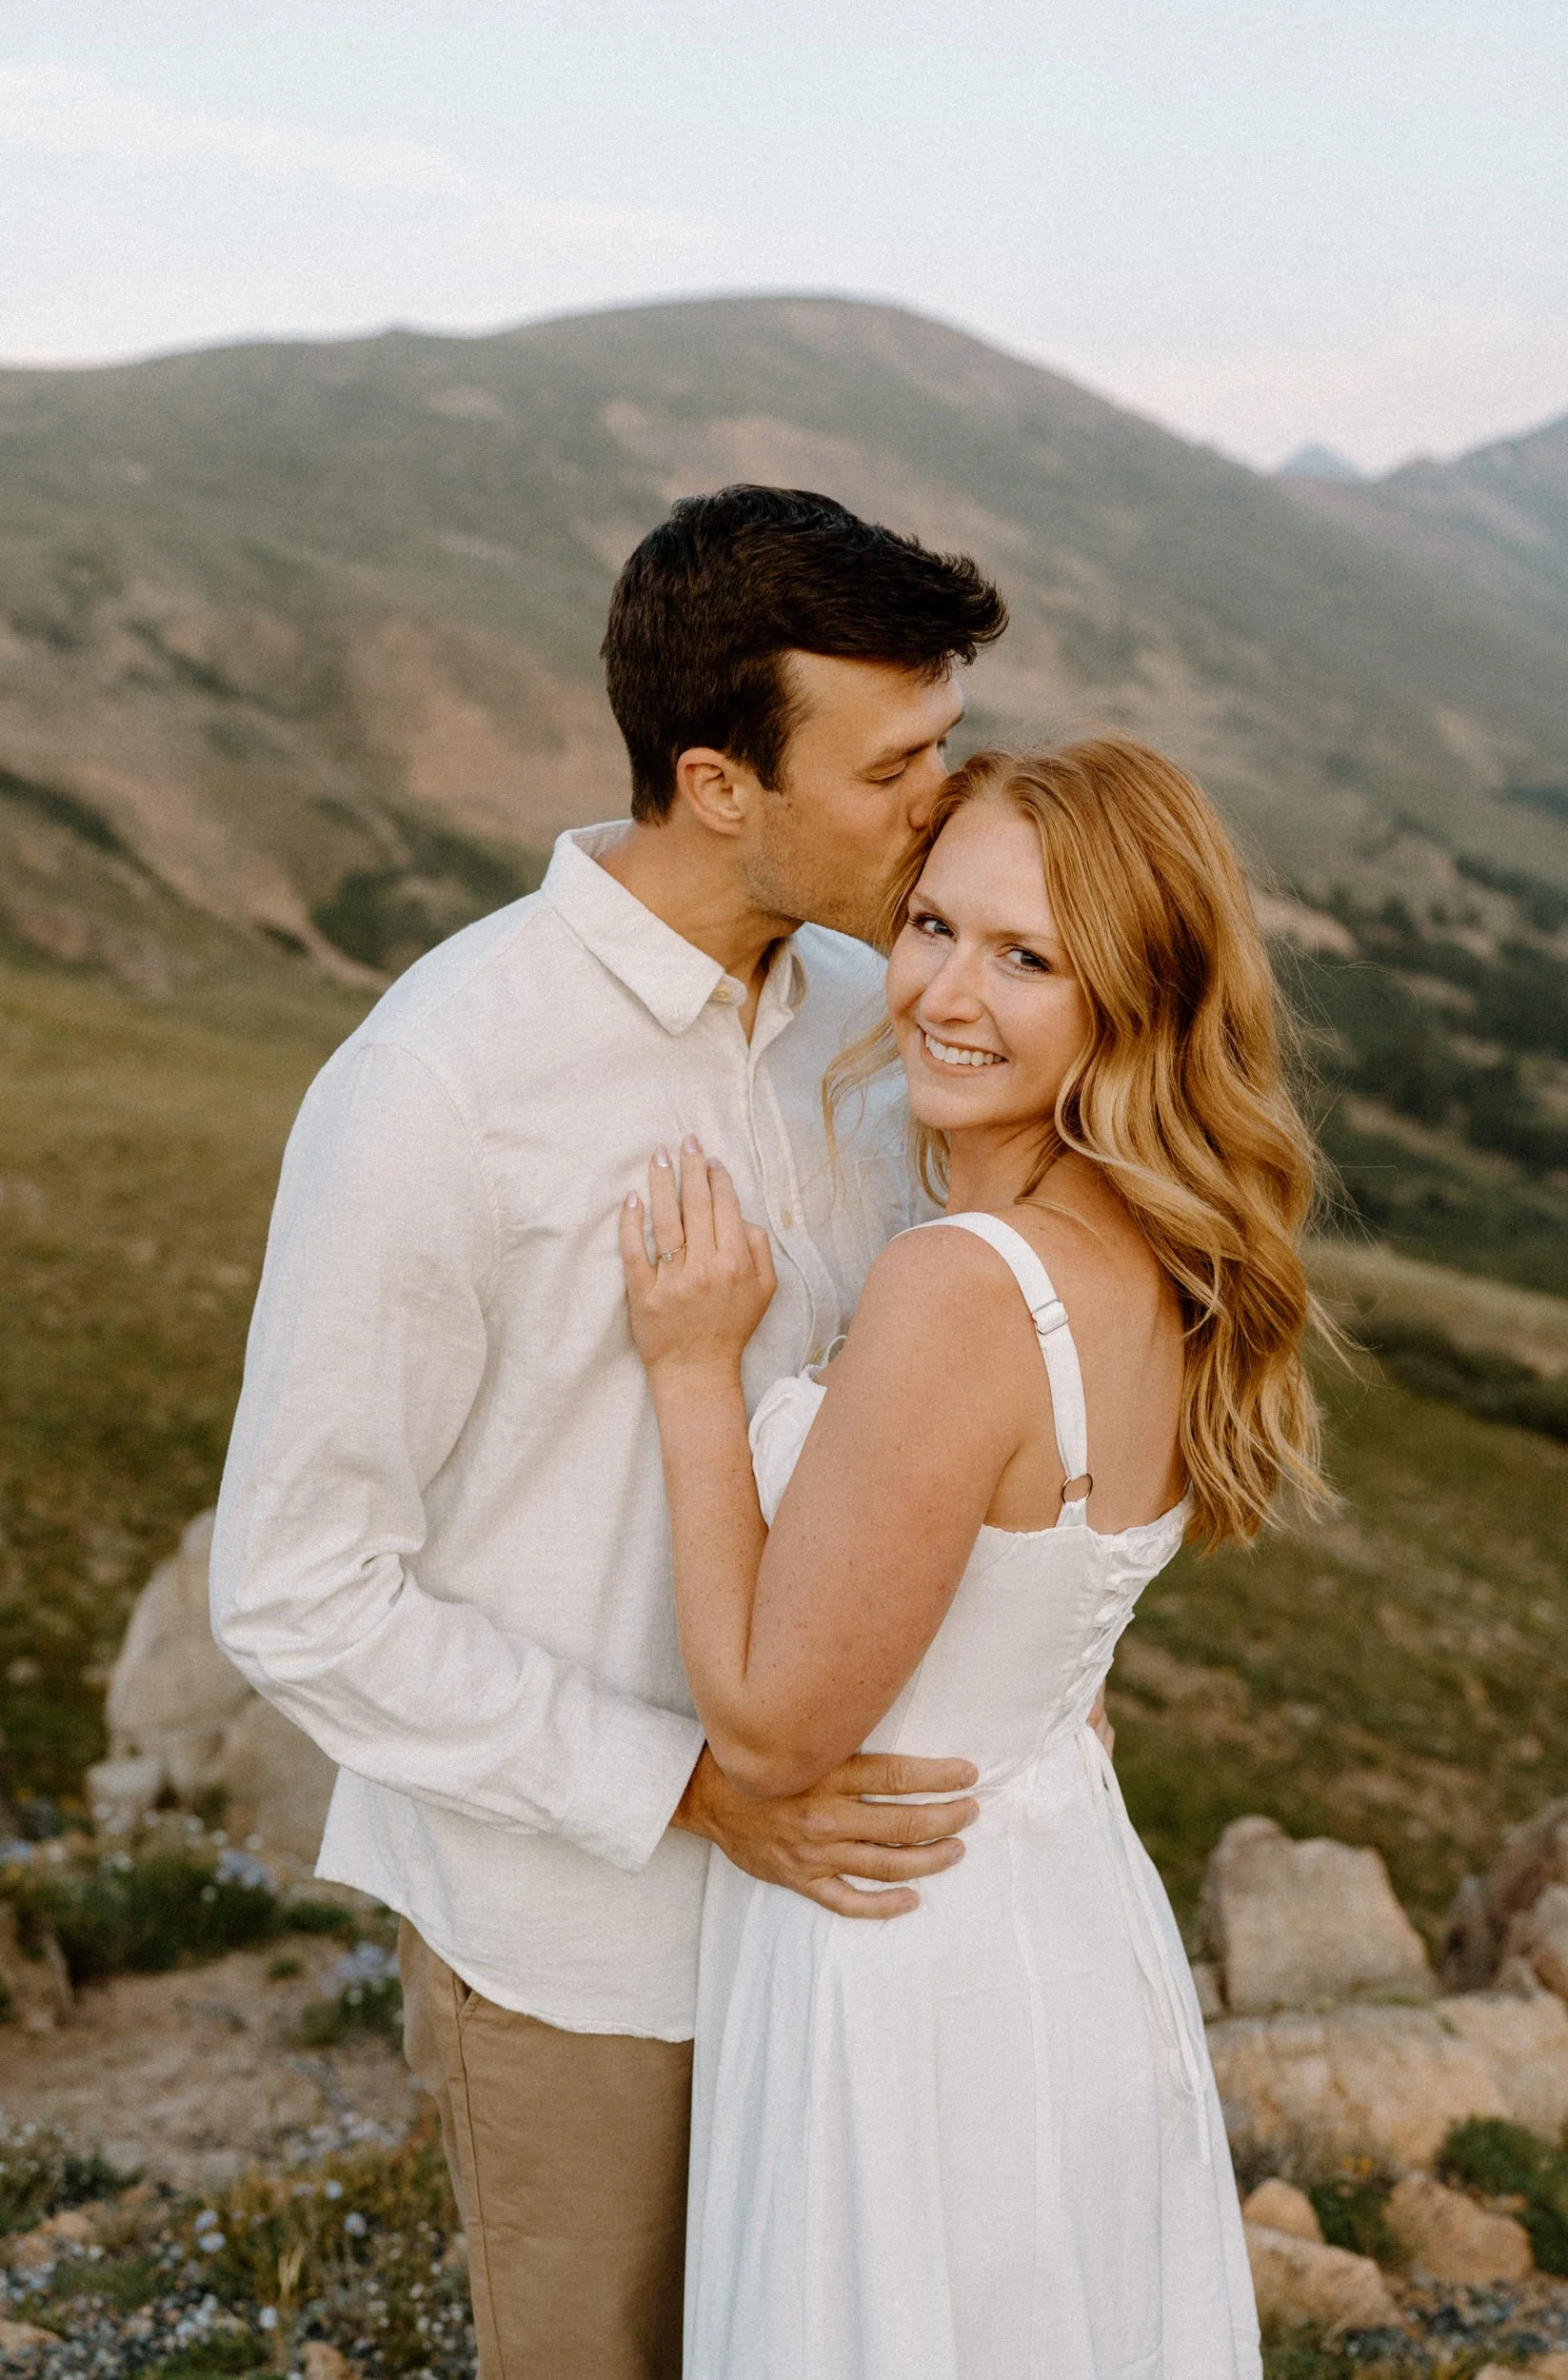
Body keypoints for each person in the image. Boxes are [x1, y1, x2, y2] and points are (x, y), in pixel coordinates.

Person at [209, 485, 1007, 2380]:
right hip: (586, 1934)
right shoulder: (440, 1081)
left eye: (947, 746)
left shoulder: (874, 1016)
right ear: (721, 783)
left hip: (858, 1913)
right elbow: (294, 1586)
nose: (943, 803)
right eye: (895, 762)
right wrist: (682, 1788)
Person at [622, 739, 1326, 2378]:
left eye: (1026, 959)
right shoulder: (1149, 1254)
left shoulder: (962, 1284)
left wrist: (687, 1374)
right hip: (1062, 1909)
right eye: (933, 926)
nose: (942, 991)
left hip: (904, 1956)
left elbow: (770, 1732)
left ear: (1131, 999)